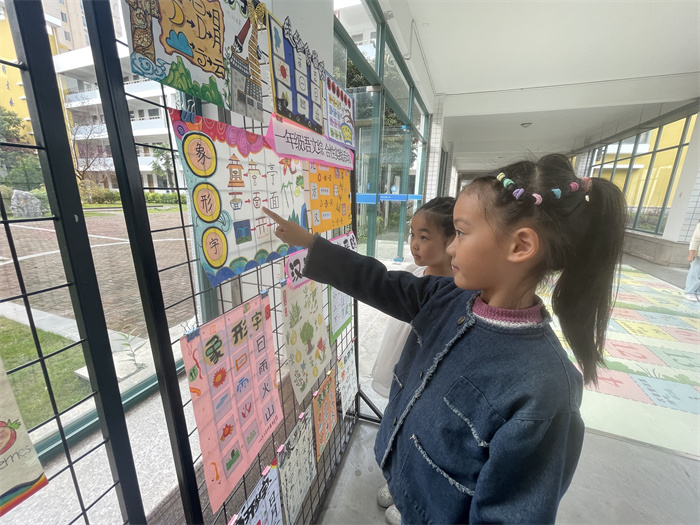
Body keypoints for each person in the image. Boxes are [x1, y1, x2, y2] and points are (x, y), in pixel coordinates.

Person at [263, 153, 627, 524]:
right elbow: (378, 282)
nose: (451, 247)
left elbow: (510, 513)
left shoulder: (546, 390)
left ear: (520, 246)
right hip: (404, 478)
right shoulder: (447, 296)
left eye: (462, 233)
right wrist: (311, 244)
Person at [370, 197, 455, 524]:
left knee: (421, 431)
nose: (415, 244)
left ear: (451, 240)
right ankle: (397, 481)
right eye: (412, 235)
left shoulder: (457, 287)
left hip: (429, 369)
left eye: (424, 236)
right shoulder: (413, 272)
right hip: (402, 362)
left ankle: (412, 496)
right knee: (397, 420)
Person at [684, 221, 700, 301]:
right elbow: (695, 239)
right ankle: (690, 292)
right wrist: (691, 253)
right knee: (695, 273)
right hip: (698, 255)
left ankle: (698, 293)